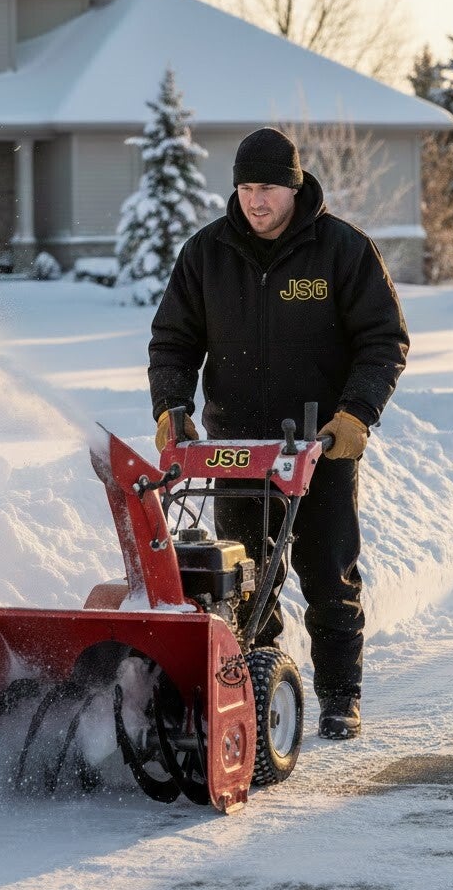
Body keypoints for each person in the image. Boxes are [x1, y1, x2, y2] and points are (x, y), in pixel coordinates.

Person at [148, 126, 409, 740]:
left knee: (329, 573)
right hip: (236, 447)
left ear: (293, 187)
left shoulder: (342, 250)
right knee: (241, 579)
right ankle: (252, 694)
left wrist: (355, 416)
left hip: (319, 446)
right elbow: (173, 342)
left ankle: (340, 698)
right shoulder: (206, 254)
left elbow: (383, 340)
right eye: (244, 188)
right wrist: (171, 407)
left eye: (267, 187)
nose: (255, 201)